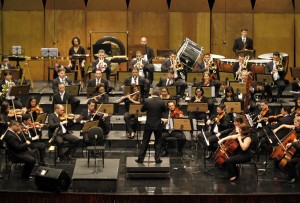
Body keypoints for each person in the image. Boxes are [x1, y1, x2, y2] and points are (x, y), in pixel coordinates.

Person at [136, 88, 167, 164]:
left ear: (152, 93)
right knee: (158, 142)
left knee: (145, 141)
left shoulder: (147, 101)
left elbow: (142, 110)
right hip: (158, 124)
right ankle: (157, 159)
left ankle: (140, 158)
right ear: (158, 93)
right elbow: (164, 110)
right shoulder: (162, 102)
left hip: (149, 124)